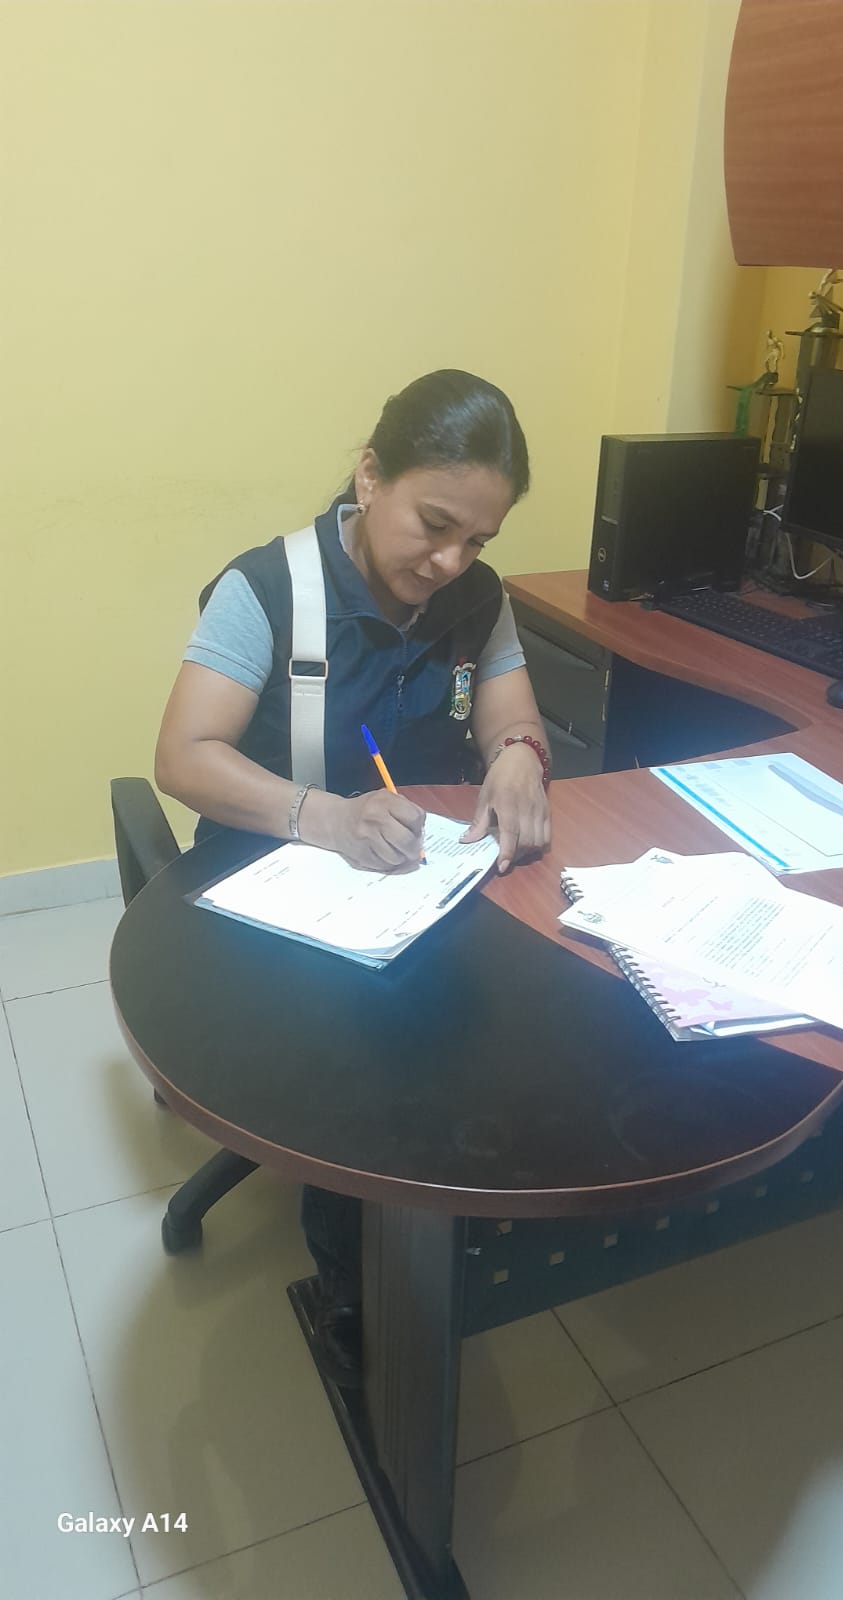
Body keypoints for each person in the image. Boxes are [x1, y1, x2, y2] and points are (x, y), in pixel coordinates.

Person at [155, 368, 552, 1382]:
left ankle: (473, 1215)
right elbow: (184, 755)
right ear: (370, 476)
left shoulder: (474, 599)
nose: (450, 560)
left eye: (478, 540)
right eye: (434, 524)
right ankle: (355, 1286)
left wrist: (516, 754)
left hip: (415, 879)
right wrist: (323, 816)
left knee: (513, 1002)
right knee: (366, 1055)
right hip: (270, 878)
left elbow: (510, 710)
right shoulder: (269, 588)